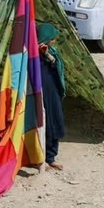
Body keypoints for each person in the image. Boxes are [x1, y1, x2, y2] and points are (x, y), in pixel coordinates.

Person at [37, 23, 66, 171]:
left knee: (54, 121)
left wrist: (46, 53)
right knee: (40, 123)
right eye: (52, 38)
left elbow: (58, 66)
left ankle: (51, 157)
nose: (54, 41)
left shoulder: (51, 52)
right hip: (37, 94)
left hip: (52, 93)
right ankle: (38, 158)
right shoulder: (31, 53)